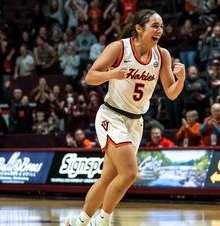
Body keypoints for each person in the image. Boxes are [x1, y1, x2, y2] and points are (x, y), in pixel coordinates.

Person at [65, 9, 185, 226]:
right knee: (129, 173)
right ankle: (103, 220)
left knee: (107, 179)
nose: (160, 30)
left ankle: (79, 222)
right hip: (111, 115)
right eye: (155, 26)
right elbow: (90, 77)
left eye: (162, 27)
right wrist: (112, 73)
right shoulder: (119, 48)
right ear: (139, 28)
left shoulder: (162, 55)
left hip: (135, 121)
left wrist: (181, 79)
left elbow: (171, 93)